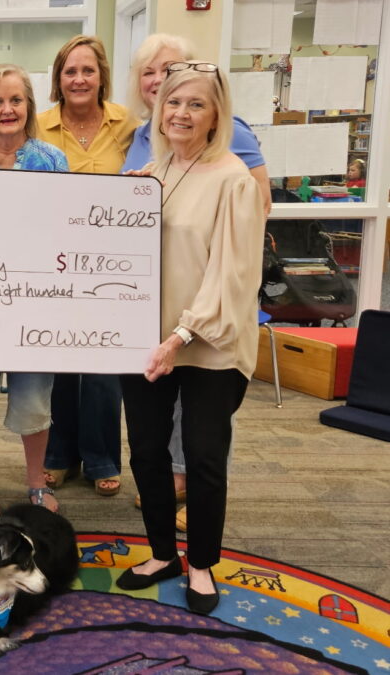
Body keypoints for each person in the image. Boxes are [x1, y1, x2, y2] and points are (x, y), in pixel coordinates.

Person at [116, 62, 264, 616]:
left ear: (216, 115)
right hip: (148, 340)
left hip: (211, 342)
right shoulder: (154, 172)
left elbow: (232, 276)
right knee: (148, 453)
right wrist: (118, 212)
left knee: (202, 458)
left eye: (196, 104)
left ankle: (200, 563)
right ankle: (161, 553)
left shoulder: (233, 179)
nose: (181, 113)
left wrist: (180, 334)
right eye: (173, 102)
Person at [0, 64, 68, 515]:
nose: (7, 109)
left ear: (29, 105)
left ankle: (35, 481)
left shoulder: (52, 160)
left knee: (33, 396)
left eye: (16, 100)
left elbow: (66, 226)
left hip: (34, 301)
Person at [36, 34, 139, 498]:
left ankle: (100, 458)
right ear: (58, 79)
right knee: (57, 363)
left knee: (102, 367)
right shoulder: (38, 126)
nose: (79, 79)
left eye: (87, 70)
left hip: (111, 265)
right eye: (70, 71)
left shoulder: (130, 127)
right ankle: (57, 455)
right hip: (52, 263)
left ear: (101, 77)